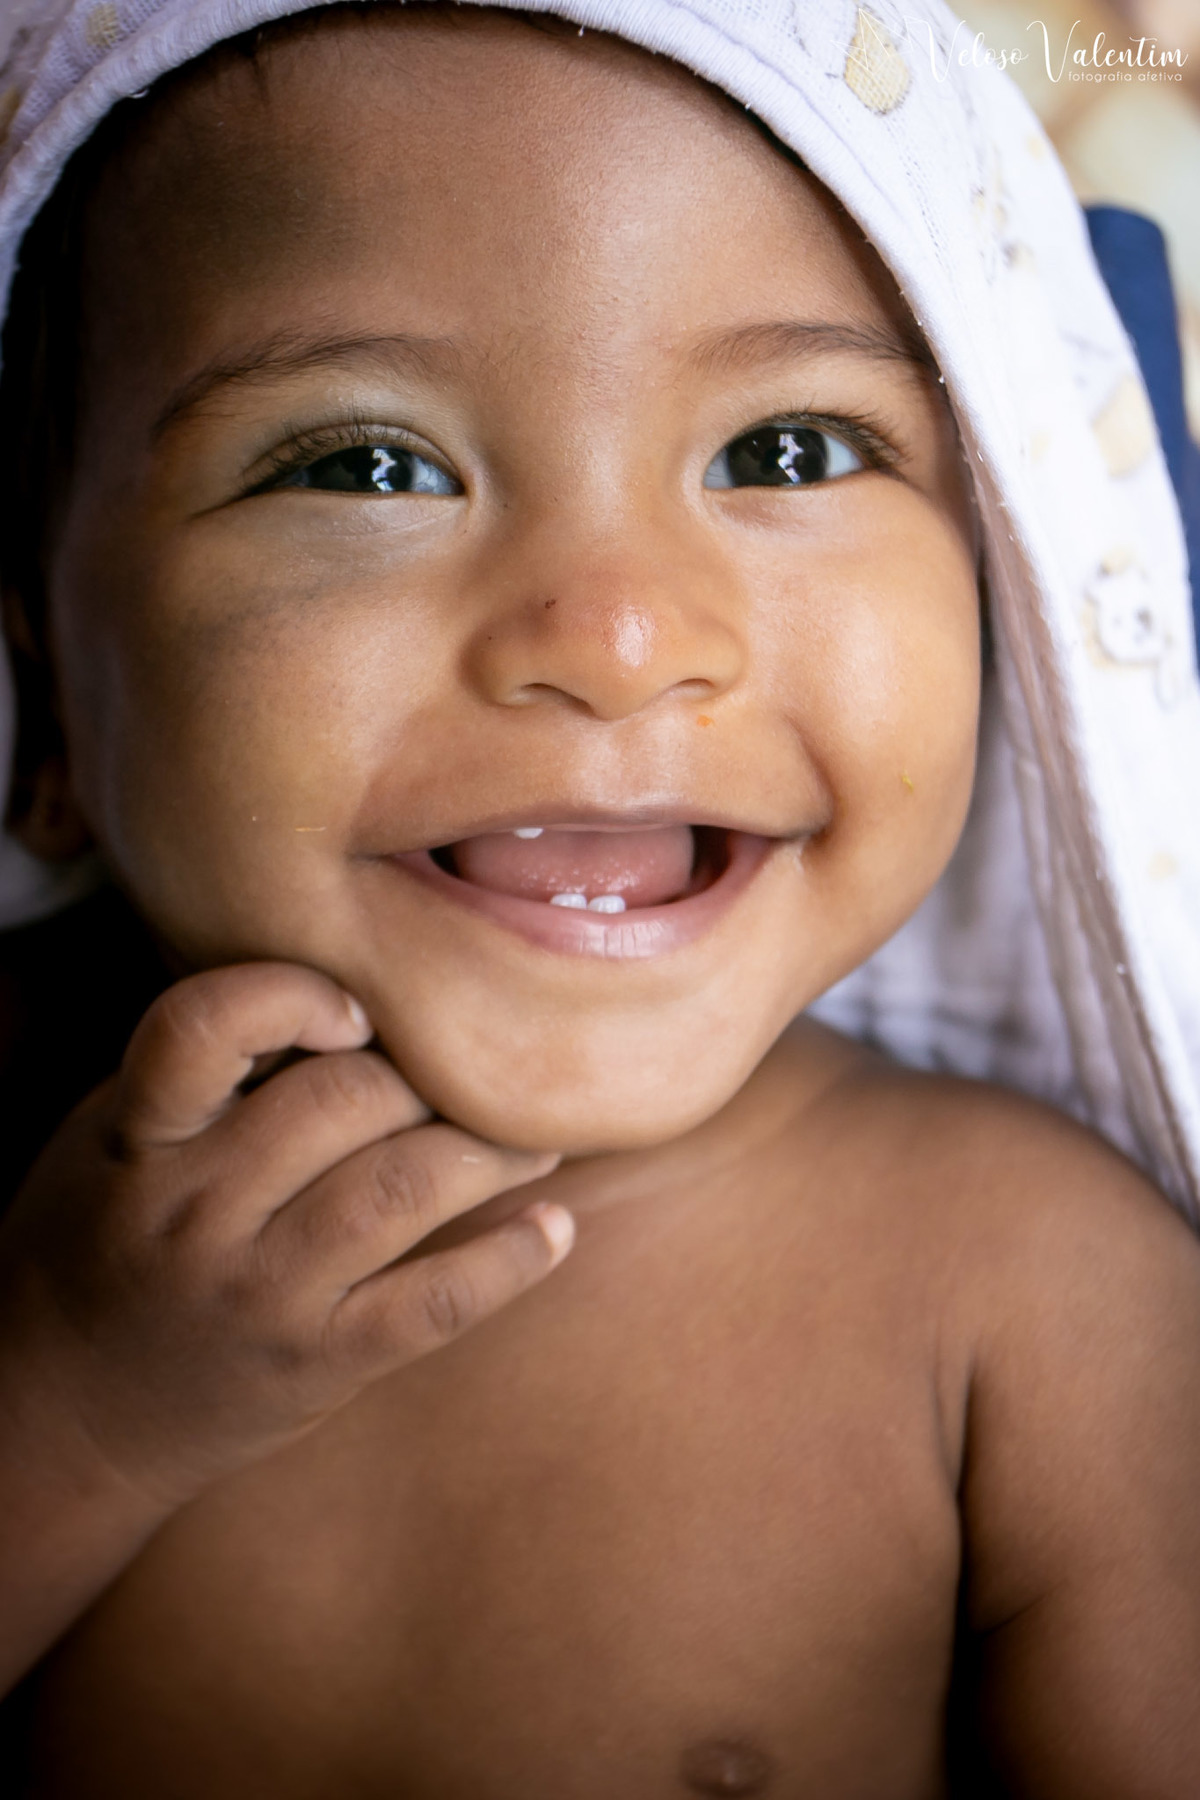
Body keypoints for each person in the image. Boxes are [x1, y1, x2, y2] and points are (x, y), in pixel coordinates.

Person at [1, 0, 1199, 1792]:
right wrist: (77, 1410)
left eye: (786, 451)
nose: (620, 638)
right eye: (367, 464)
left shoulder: (1044, 1299)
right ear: (48, 713)